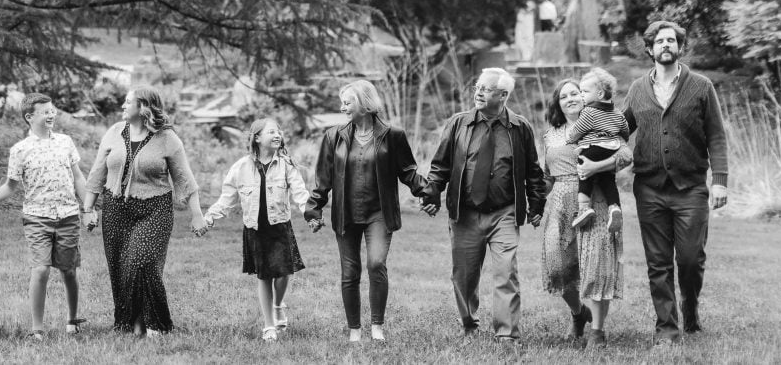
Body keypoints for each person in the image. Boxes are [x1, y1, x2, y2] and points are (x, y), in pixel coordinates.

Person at [623, 20, 728, 350]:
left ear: (680, 47)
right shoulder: (637, 89)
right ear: (650, 49)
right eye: (659, 40)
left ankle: (690, 309)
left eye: (672, 40)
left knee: (690, 259)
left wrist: (720, 182)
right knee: (658, 262)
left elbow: (716, 135)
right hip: (649, 187)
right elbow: (619, 129)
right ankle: (666, 327)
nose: (665, 44)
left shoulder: (700, 86)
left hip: (691, 187)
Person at [421, 67, 546, 346]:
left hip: (504, 212)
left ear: (503, 95)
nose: (478, 91)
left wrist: (536, 204)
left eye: (486, 88)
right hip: (465, 213)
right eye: (477, 86)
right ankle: (468, 323)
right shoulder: (458, 123)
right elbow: (440, 166)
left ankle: (506, 334)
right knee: (464, 275)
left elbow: (533, 171)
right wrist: (431, 195)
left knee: (506, 271)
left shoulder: (520, 127)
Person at [304, 79, 430, 343]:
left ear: (364, 103)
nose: (343, 107)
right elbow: (323, 178)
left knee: (376, 263)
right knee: (350, 272)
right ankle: (354, 330)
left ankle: (376, 326)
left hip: (379, 214)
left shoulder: (392, 135)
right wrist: (314, 209)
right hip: (346, 214)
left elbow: (407, 172)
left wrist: (428, 193)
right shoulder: (333, 136)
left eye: (348, 102)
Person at [82, 86, 207, 336]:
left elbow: (184, 179)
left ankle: (157, 324)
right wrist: (88, 208)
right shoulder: (114, 132)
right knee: (120, 268)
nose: (123, 106)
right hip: (116, 208)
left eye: (128, 102)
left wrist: (197, 214)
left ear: (144, 107)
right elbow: (97, 173)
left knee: (142, 262)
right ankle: (131, 324)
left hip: (154, 209)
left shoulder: (167, 138)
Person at [540, 79, 633, 349]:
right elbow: (547, 176)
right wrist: (534, 200)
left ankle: (597, 331)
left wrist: (596, 167)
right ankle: (579, 314)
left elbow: (626, 155)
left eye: (575, 93)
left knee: (597, 264)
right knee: (557, 267)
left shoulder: (601, 121)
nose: (570, 98)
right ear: (558, 103)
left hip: (597, 201)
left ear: (584, 97)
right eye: (564, 96)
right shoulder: (551, 134)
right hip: (560, 203)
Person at [0, 93, 90, 340]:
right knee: (41, 269)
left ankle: (73, 319)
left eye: (52, 110)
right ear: (29, 117)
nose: (51, 114)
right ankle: (37, 328)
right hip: (37, 218)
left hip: (68, 216)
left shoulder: (65, 142)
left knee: (68, 270)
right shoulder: (20, 150)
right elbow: (10, 186)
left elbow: (78, 177)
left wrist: (88, 208)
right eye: (45, 111)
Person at [204, 118, 310, 342]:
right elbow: (227, 197)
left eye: (279, 131)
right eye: (271, 131)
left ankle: (278, 304)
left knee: (284, 273)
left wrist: (311, 214)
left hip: (279, 226)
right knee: (263, 277)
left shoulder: (285, 164)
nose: (277, 134)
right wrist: (210, 217)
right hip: (255, 229)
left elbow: (300, 192)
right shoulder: (241, 166)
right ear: (257, 138)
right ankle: (269, 325)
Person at [567, 68, 630, 232]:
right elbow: (625, 132)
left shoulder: (589, 111)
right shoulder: (618, 113)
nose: (582, 95)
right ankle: (614, 208)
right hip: (611, 149)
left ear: (600, 94)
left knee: (584, 173)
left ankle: (583, 209)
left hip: (593, 149)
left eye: (585, 91)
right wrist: (615, 137)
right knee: (608, 181)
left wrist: (570, 138)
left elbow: (577, 132)